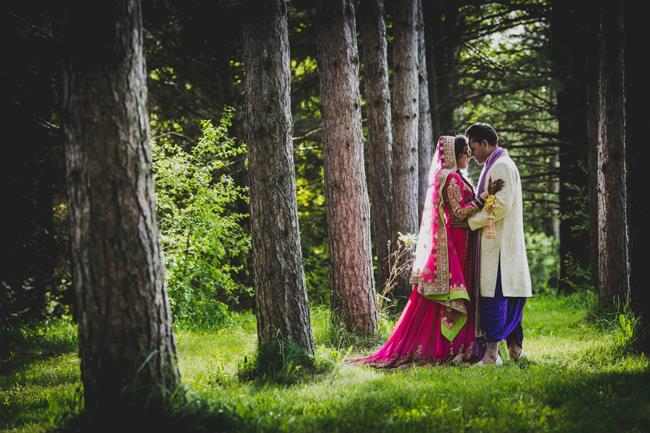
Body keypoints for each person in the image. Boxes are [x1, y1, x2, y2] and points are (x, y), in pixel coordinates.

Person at [348, 135, 503, 368]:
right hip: (455, 244)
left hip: (463, 242)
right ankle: (444, 348)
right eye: (465, 153)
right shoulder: (449, 177)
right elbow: (459, 213)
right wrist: (483, 197)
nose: (469, 157)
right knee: (448, 298)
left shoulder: (457, 176)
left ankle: (463, 346)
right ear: (455, 154)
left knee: (464, 294)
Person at [465, 122, 532, 366]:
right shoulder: (498, 163)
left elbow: (501, 206)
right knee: (506, 296)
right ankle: (514, 350)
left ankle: (492, 355)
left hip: (500, 247)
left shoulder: (501, 166)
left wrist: (472, 221)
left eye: (473, 148)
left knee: (496, 298)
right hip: (499, 245)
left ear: (485, 143)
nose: (471, 155)